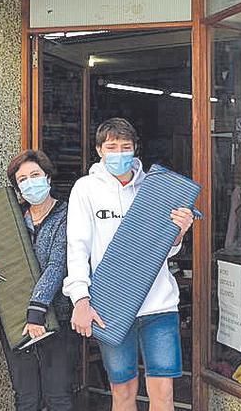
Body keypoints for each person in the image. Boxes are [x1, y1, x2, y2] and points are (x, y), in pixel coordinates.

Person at [63, 118, 195, 411]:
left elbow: (167, 249)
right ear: (99, 150)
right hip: (110, 308)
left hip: (158, 306)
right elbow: (77, 248)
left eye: (126, 146)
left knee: (164, 393)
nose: (119, 153)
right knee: (122, 393)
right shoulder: (85, 189)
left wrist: (180, 232)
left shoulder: (155, 188)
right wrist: (81, 300)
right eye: (112, 147)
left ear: (136, 149)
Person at [0, 149, 77, 410]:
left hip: (55, 315)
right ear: (17, 188)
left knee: (58, 394)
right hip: (16, 318)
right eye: (22, 179)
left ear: (48, 178)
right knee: (25, 396)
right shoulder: (13, 221)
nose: (30, 182)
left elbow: (58, 264)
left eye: (35, 175)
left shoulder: (67, 215)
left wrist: (38, 309)